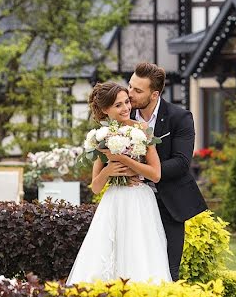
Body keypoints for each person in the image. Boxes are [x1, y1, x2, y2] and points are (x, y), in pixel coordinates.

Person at [66, 82, 172, 284]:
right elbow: (96, 187)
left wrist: (124, 160)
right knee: (109, 249)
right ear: (106, 110)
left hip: (140, 199)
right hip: (114, 200)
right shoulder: (102, 137)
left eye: (126, 102)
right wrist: (108, 171)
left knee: (138, 250)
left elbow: (156, 174)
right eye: (118, 105)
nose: (126, 108)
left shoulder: (142, 131)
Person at [127, 62, 207, 281]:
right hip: (131, 201)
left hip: (169, 202)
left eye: (137, 90)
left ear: (154, 94)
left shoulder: (180, 117)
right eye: (130, 86)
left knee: (169, 271)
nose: (130, 94)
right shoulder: (123, 115)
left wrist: (143, 171)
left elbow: (181, 163)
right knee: (131, 266)